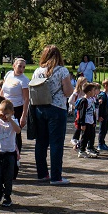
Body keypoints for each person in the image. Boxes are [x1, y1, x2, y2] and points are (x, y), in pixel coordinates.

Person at [31, 45, 75, 185]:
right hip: (57, 108)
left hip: (40, 108)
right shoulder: (62, 71)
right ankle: (56, 176)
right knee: (56, 144)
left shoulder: (38, 71)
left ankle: (42, 173)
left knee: (41, 142)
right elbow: (68, 92)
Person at [0, 99, 21, 207]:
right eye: (2, 113)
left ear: (12, 113)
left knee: (8, 176)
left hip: (9, 153)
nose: (4, 116)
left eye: (7, 113)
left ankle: (7, 195)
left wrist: (10, 120)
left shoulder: (14, 121)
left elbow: (18, 130)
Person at [0, 58, 31, 152]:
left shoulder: (24, 80)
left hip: (17, 108)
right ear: (14, 66)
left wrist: (23, 116)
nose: (21, 69)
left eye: (23, 67)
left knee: (16, 132)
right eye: (19, 66)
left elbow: (26, 99)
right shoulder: (8, 74)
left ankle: (16, 155)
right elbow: (3, 90)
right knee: (3, 130)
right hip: (5, 106)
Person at [75, 82, 100, 158]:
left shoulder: (92, 99)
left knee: (91, 135)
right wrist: (82, 124)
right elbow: (82, 113)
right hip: (85, 122)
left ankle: (90, 148)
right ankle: (81, 150)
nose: (94, 92)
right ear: (89, 92)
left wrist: (94, 121)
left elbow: (93, 111)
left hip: (91, 121)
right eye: (93, 90)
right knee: (85, 137)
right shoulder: (84, 101)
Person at [96, 79, 108, 151]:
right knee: (102, 130)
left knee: (105, 129)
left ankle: (103, 142)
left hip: (106, 115)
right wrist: (99, 116)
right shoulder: (102, 95)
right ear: (106, 86)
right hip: (103, 116)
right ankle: (100, 144)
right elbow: (100, 107)